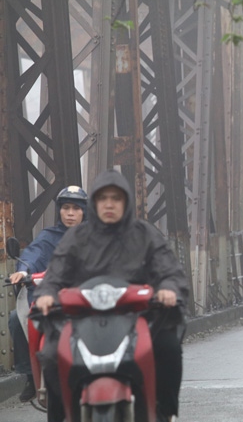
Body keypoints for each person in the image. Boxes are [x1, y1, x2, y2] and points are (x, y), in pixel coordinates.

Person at [33, 170, 189, 422]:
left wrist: (169, 288)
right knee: (51, 356)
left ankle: (163, 411)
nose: (109, 204)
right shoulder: (76, 237)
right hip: (83, 319)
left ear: (126, 202)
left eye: (116, 198)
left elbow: (168, 268)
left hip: (138, 316)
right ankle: (61, 415)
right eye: (102, 198)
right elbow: (56, 272)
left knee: (168, 348)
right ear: (94, 202)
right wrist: (47, 293)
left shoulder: (144, 234)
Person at [7, 186, 87, 403]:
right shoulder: (48, 236)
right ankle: (31, 376)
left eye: (76, 208)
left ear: (85, 212)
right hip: (53, 297)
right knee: (16, 319)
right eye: (66, 208)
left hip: (85, 297)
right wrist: (23, 271)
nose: (70, 213)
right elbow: (34, 253)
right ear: (59, 211)